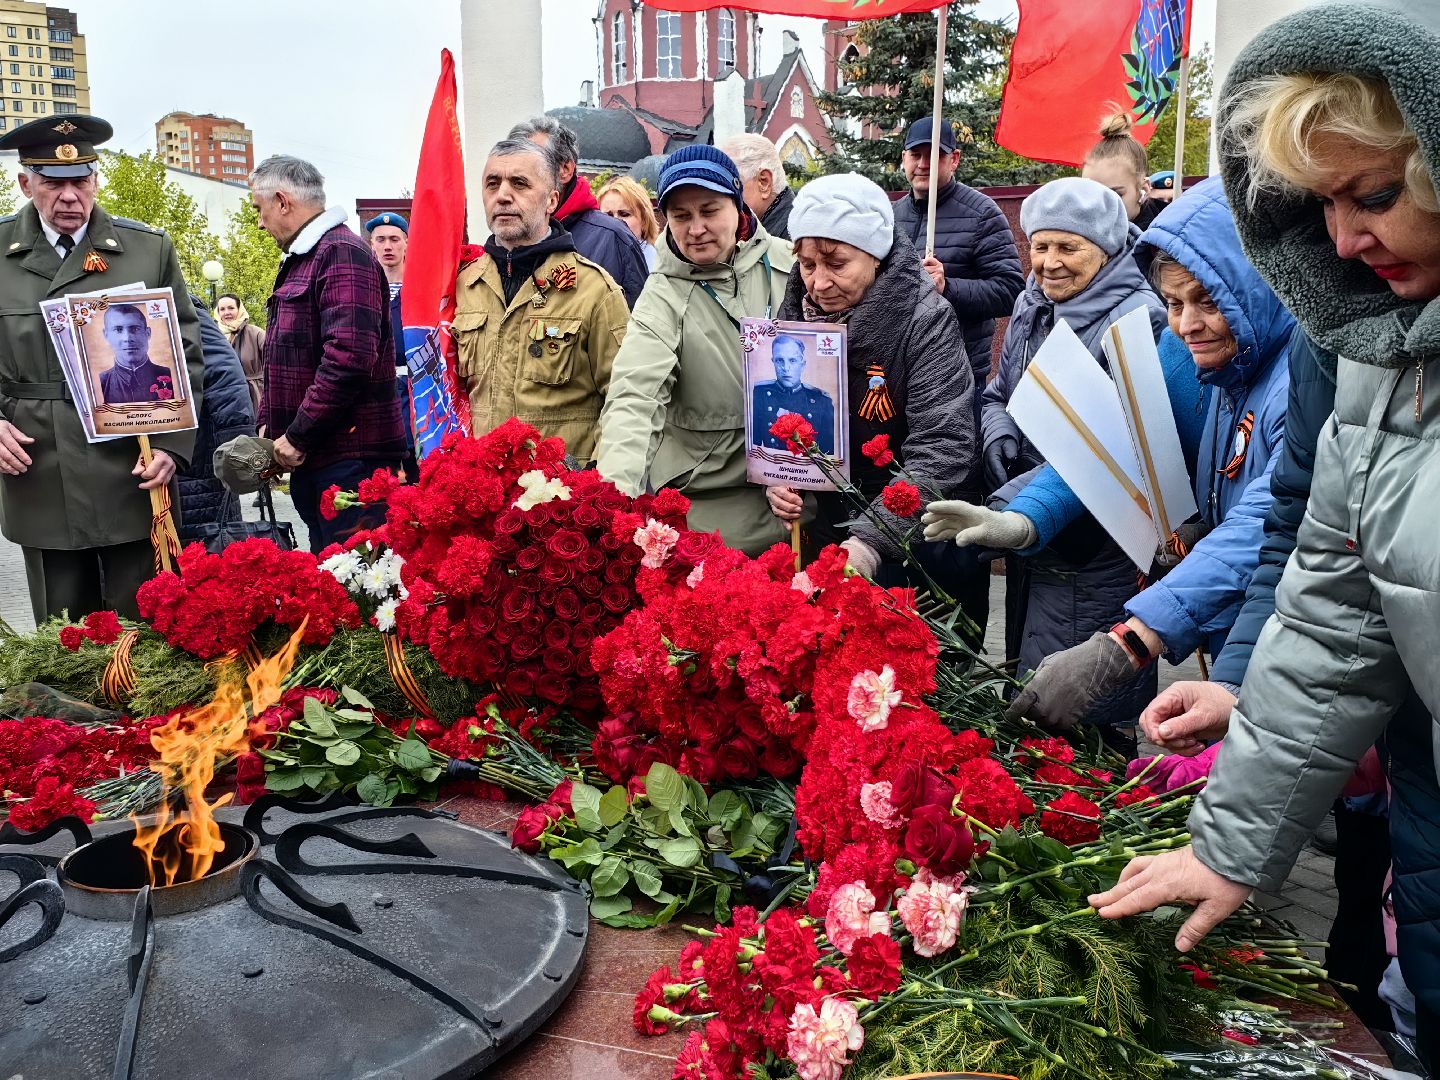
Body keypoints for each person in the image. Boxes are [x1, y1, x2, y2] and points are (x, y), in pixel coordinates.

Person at [1087, 7, 1440, 1070]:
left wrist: (1141, 633)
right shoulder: (1376, 350)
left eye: (1373, 196)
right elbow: (1334, 601)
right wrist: (1230, 847)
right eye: (1322, 205)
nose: (1341, 242)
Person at [930, 178, 1293, 732]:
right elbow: (1113, 444)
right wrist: (1023, 520)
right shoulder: (1183, 348)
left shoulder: (1293, 383)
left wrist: (1130, 642)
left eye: (1207, 300)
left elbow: (1265, 521)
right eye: (1173, 302)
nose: (1186, 323)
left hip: (1284, 615)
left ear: (1255, 283)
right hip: (1228, 612)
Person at [965, 177, 1168, 740]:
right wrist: (999, 434)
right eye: (1040, 245)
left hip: (1095, 541)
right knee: (1033, 681)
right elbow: (997, 391)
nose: (1048, 263)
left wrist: (1014, 503)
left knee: (1081, 707)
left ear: (1104, 250)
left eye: (1067, 248)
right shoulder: (1031, 305)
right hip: (1029, 530)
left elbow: (1117, 446)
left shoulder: (1137, 321)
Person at [0, 114, 203, 623]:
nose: (70, 196)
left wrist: (172, 449)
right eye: (53, 183)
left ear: (96, 179)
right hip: (39, 461)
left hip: (132, 462)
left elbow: (187, 352)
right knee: (63, 628)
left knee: (148, 624)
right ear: (25, 183)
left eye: (81, 181)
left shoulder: (146, 250)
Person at [764, 173, 975, 580]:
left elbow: (944, 446)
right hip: (832, 529)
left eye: (837, 263)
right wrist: (780, 479)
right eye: (807, 264)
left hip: (921, 539)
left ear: (875, 255)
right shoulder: (794, 317)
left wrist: (869, 542)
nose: (819, 283)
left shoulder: (926, 320)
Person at [596, 145, 792, 554]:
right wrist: (613, 501)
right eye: (681, 216)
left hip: (801, 497)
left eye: (709, 210)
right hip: (709, 506)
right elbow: (636, 397)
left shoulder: (791, 265)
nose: (696, 228)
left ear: (738, 208)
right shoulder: (662, 295)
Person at [249, 154, 405, 553]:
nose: (260, 222)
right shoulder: (309, 256)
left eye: (259, 209)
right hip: (322, 459)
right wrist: (270, 425)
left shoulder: (340, 252)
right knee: (333, 590)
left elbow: (349, 357)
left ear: (283, 201)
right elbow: (284, 359)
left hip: (349, 463)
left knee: (359, 596)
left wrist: (298, 434)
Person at [453, 138, 628, 462]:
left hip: (558, 500)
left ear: (551, 200)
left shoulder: (593, 290)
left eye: (519, 183)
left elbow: (625, 400)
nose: (503, 195)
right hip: (483, 493)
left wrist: (592, 480)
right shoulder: (465, 285)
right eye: (493, 184)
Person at [510, 115, 648, 308]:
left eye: (533, 163)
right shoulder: (506, 238)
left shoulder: (612, 238)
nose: (519, 178)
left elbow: (634, 329)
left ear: (565, 169)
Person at [177, 296, 256, 545]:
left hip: (197, 456)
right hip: (182, 455)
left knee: (207, 546)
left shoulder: (183, 309)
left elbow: (226, 377)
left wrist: (236, 457)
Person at [364, 211, 417, 478]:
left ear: (406, 242)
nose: (388, 246)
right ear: (371, 244)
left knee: (414, 468)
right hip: (377, 393)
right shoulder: (364, 289)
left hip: (414, 390)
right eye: (380, 239)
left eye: (395, 239)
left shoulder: (421, 287)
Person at [750, 334, 835, 456]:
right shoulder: (759, 395)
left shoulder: (821, 401)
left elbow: (828, 452)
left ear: (803, 364)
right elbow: (754, 450)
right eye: (780, 360)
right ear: (773, 361)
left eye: (792, 360)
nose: (786, 368)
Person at [1081, 112, 1171, 228]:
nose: (1099, 207)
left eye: (1114, 195)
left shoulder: (1166, 238)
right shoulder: (1070, 232)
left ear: (1144, 189)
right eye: (1090, 195)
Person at [721, 133, 795, 241]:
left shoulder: (798, 241)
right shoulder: (758, 230)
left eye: (728, 189)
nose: (720, 201)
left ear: (764, 182)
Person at [96, 304, 175, 403]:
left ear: (148, 333)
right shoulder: (99, 383)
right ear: (106, 336)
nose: (128, 339)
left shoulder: (171, 376)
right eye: (118, 330)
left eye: (135, 329)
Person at [215, 292, 265, 417]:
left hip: (255, 397)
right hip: (226, 399)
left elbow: (274, 362)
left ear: (239, 309)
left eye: (231, 308)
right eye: (222, 309)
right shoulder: (214, 337)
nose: (227, 312)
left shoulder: (256, 333)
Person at [596, 176, 660, 269]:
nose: (615, 222)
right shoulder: (590, 258)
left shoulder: (657, 267)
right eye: (608, 216)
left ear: (644, 220)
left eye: (624, 214)